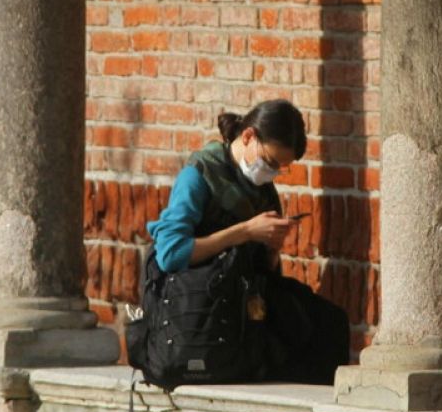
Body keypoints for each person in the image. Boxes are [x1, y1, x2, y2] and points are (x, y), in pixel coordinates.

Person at [143, 99, 350, 384]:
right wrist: (245, 231)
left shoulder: (262, 189)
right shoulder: (200, 175)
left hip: (244, 296)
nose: (272, 172)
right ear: (249, 136)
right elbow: (171, 254)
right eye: (270, 162)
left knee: (329, 324)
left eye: (280, 168)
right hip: (198, 299)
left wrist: (272, 248)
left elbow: (265, 270)